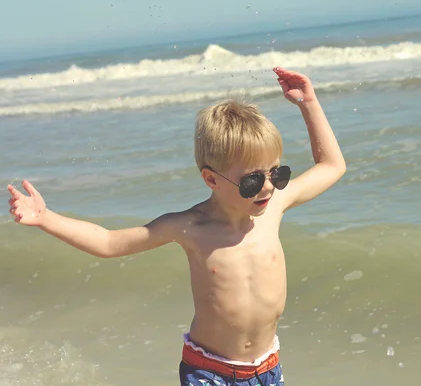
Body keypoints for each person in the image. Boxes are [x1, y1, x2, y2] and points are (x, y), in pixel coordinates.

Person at [6, 67, 346, 385]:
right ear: (211, 179)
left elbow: (331, 166)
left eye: (276, 173)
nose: (269, 187)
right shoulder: (189, 227)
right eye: (252, 180)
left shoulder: (274, 208)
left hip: (268, 368)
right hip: (209, 370)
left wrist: (309, 104)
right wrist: (46, 218)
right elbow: (109, 243)